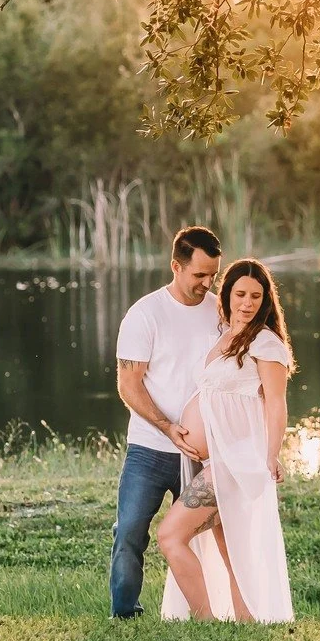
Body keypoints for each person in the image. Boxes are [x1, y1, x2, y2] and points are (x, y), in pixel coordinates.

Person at [157, 257, 295, 623]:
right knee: (229, 550)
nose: (247, 303)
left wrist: (271, 455)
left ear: (265, 300)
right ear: (228, 295)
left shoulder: (265, 343)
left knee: (170, 537)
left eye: (255, 296)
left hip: (235, 463)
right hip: (213, 461)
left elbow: (276, 404)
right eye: (240, 294)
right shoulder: (224, 336)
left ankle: (204, 620)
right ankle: (246, 620)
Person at [110, 225, 223, 619]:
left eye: (214, 275)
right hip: (149, 450)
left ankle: (211, 611)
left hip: (202, 457)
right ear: (176, 266)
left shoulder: (219, 311)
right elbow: (129, 385)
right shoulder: (145, 314)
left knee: (209, 535)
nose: (208, 284)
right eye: (199, 275)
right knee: (129, 534)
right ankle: (124, 614)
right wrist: (166, 426)